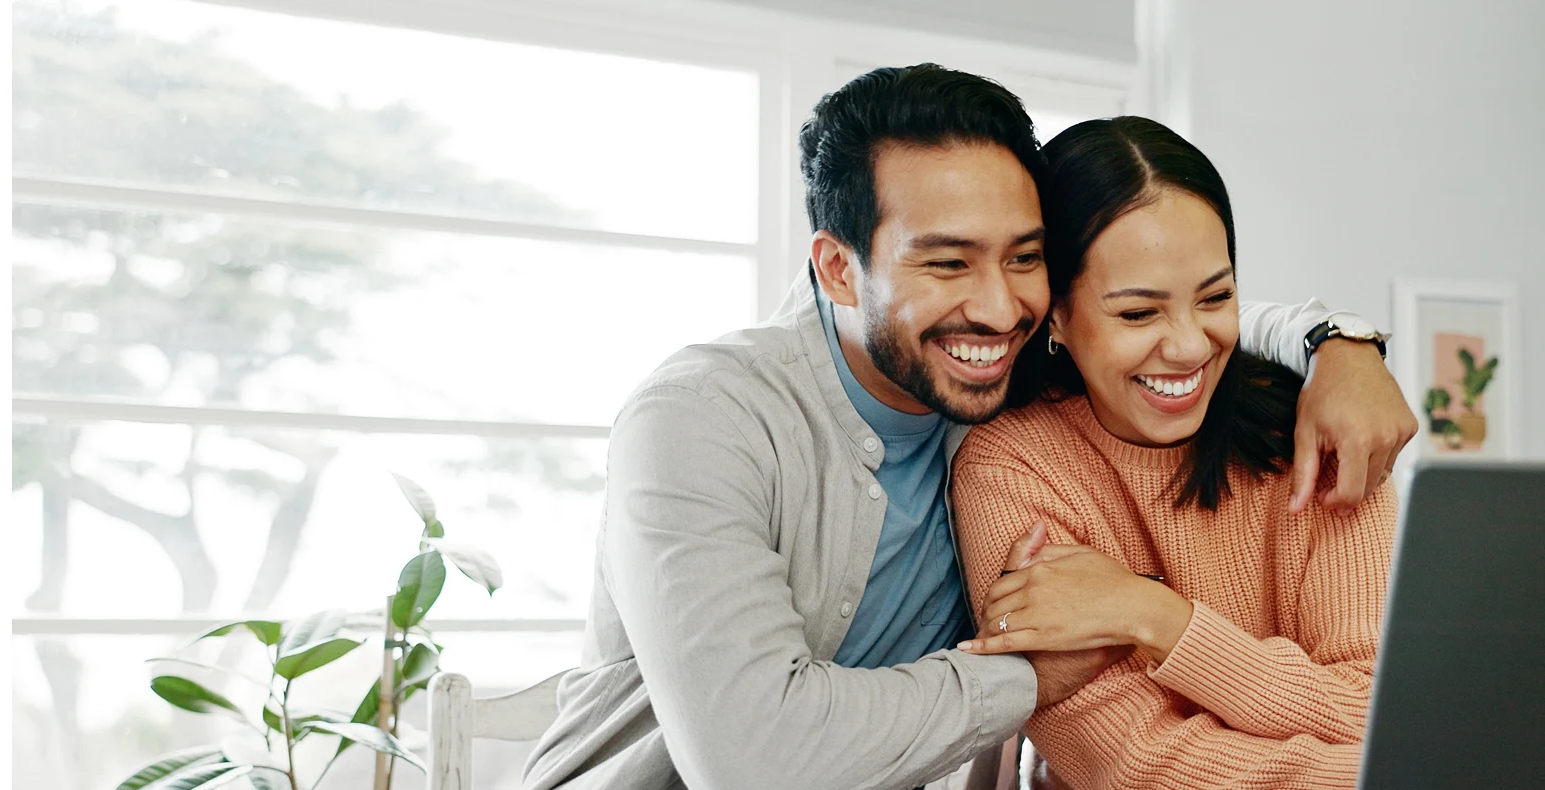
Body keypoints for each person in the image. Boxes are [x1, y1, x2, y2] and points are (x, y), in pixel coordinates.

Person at [521, 65, 1414, 790]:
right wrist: (1035, 680)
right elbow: (756, 764)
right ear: (837, 268)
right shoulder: (707, 418)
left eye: (1023, 257)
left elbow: (1158, 310)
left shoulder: (994, 378)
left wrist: (1340, 343)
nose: (998, 307)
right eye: (948, 262)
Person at [950, 116, 1396, 788]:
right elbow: (1132, 763)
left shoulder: (1321, 436)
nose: (1190, 346)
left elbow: (1378, 711)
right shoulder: (1010, 469)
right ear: (1058, 315)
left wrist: (1153, 616)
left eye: (1215, 297)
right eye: (1138, 313)